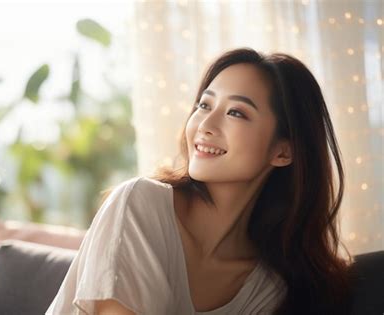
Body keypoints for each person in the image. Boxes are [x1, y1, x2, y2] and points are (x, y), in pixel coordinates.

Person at [46, 48, 353, 315]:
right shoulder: (141, 204)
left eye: (235, 112)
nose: (205, 124)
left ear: (283, 151)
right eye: (204, 105)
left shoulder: (269, 287)